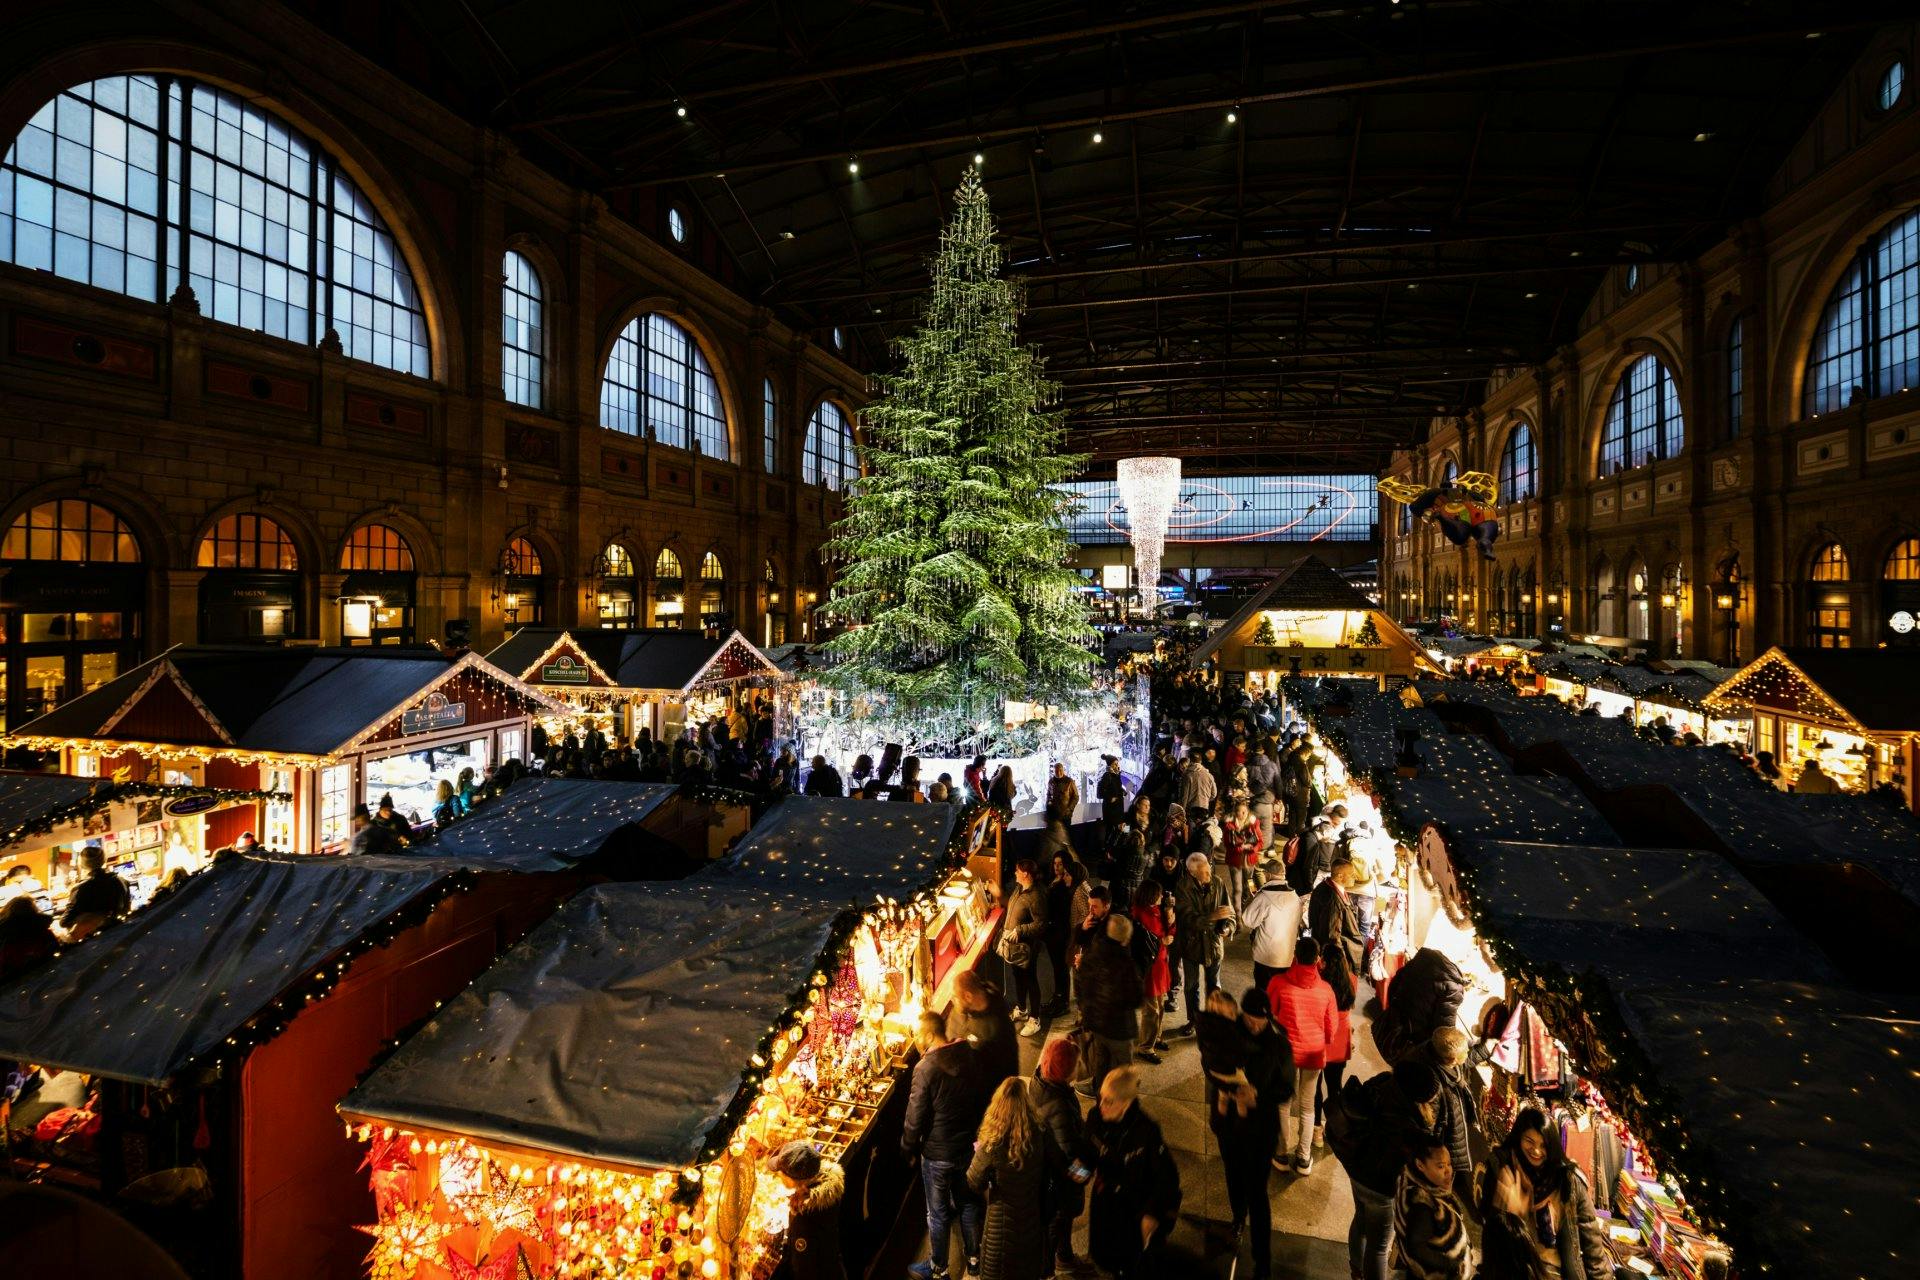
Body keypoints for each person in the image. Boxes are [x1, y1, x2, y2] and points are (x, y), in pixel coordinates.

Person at [1327, 1061, 1446, 1280]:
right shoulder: (1410, 1123)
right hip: (1382, 1188)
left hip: (1356, 1169)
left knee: (1361, 1219)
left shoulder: (1381, 1083)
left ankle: (1356, 1271)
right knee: (1379, 1245)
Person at [1212, 988, 1294, 1280]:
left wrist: (1257, 1094)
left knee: (1258, 1192)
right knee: (1233, 1174)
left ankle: (1263, 1262)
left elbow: (1286, 1089)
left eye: (1258, 1020)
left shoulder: (1279, 1046)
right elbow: (1212, 1064)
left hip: (1260, 1128)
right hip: (1229, 1121)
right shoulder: (1231, 1034)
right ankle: (1237, 1217)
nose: (1253, 1025)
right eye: (1248, 1018)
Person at [905, 1013, 991, 1280]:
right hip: (965, 1147)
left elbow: (915, 1117)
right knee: (967, 1203)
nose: (916, 1040)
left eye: (917, 1035)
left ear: (929, 1036)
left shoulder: (925, 1069)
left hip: (937, 1155)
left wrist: (907, 1148)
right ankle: (974, 1259)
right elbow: (980, 1096)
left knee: (938, 1213)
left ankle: (939, 1268)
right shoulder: (968, 1053)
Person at [1477, 1107, 1610, 1280]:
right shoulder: (1502, 1169)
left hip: (1557, 1271)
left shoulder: (1567, 1179)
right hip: (1512, 1267)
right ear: (1518, 1138)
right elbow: (1491, 1231)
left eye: (1543, 1145)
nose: (1536, 1151)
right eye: (1529, 1141)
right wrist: (1512, 1215)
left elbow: (1591, 1237)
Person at [1084, 1067, 1181, 1279]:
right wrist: (1076, 1173)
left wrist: (1151, 1214)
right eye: (1101, 1097)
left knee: (1130, 1265)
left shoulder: (1146, 1131)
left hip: (1132, 1210)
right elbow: (1086, 1155)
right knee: (1104, 1257)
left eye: (1109, 1101)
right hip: (1105, 1203)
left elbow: (1167, 1178)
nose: (1101, 1105)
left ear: (1126, 1103)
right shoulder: (1095, 1118)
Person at [967, 1077, 1054, 1280]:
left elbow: (973, 1180)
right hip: (1031, 1222)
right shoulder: (1040, 1132)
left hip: (1000, 1228)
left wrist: (989, 1187)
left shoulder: (992, 1142)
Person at [1267, 936, 1337, 1173]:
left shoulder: (1279, 983)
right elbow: (1332, 1028)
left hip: (1285, 1053)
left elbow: (1270, 1013)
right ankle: (1304, 1157)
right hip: (1313, 1054)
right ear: (1318, 960)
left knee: (1283, 1104)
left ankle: (1281, 1153)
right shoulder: (1326, 990)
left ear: (1295, 955)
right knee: (1308, 1107)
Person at [1030, 1038, 1091, 1276]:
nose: (1080, 1067)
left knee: (1060, 1223)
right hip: (1058, 1181)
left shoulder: (1041, 1081)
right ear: (1065, 1070)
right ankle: (1048, 1270)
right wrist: (1084, 1176)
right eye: (1076, 1064)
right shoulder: (1059, 1106)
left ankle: (1064, 1257)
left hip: (1051, 1174)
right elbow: (1068, 1155)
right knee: (1059, 1222)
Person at [1074, 914, 1144, 1095]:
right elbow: (1137, 998)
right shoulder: (1126, 964)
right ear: (1125, 937)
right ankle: (1123, 1104)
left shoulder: (1092, 955)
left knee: (1101, 1063)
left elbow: (1081, 988)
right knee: (1123, 1071)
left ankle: (1100, 1098)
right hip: (1120, 1031)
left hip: (1097, 1026)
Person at [1393, 1136, 1473, 1280]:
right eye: (1440, 1166)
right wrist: (1452, 1264)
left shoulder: (1422, 1187)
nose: (1448, 1171)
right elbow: (1416, 1247)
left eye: (1449, 1164)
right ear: (1420, 1165)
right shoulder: (1423, 1205)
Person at [1169, 852, 1230, 1036]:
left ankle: (1213, 1020)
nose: (1209, 875)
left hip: (1213, 943)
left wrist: (1227, 927)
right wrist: (1212, 917)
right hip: (1191, 945)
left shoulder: (1218, 883)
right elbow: (1187, 919)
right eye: (1205, 872)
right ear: (1192, 873)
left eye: (1209, 869)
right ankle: (1193, 1020)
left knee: (1214, 985)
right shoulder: (1182, 887)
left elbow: (1229, 912)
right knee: (1191, 986)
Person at [1373, 946, 1468, 1064]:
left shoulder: (1422, 960)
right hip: (1409, 1041)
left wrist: (1395, 1007)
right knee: (1400, 1072)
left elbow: (1394, 985)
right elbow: (1445, 1032)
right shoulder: (1453, 988)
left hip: (1390, 1025)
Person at [768, 1140, 847, 1280]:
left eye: (781, 1173)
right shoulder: (826, 1189)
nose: (778, 1175)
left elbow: (804, 1270)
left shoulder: (804, 1221)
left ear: (794, 1179)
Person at [1316, 940, 1358, 1156]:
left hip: (1320, 1038)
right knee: (1335, 1087)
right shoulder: (1351, 980)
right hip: (1340, 1039)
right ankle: (1335, 1128)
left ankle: (1316, 1129)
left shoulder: (1319, 980)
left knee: (1315, 1086)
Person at [949, 967, 1020, 1087]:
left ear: (968, 996)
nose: (953, 1001)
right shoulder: (963, 1009)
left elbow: (1005, 1067)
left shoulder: (995, 1029)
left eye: (956, 997)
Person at [1000, 859, 1049, 1035]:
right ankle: (1021, 1010)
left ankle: (1035, 1019)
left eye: (1017, 871)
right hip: (1015, 948)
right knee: (1018, 977)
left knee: (1030, 980)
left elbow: (1041, 924)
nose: (1015, 873)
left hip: (1026, 948)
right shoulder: (1019, 889)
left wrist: (1020, 930)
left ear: (1025, 874)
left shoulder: (1035, 896)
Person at [1129, 882, 1173, 1063]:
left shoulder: (1155, 911)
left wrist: (1170, 919)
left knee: (1160, 1005)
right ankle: (1146, 1047)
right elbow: (1148, 942)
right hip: (1150, 969)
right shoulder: (1140, 915)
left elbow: (1167, 932)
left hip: (1160, 966)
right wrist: (1164, 939)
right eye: (1159, 894)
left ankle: (1156, 1037)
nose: (1162, 897)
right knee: (1151, 1010)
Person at [1243, 867, 1304, 992]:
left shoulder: (1264, 897)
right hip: (1286, 956)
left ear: (1267, 874)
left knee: (1262, 991)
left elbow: (1248, 921)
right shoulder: (1295, 897)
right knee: (1280, 992)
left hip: (1264, 956)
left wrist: (1250, 900)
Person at [1043, 853, 1088, 1017]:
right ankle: (1058, 998)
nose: (1057, 867)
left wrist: (1077, 936)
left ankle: (1063, 1002)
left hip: (1063, 933)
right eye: (1055, 863)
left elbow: (1082, 916)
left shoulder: (1070, 889)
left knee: (1062, 969)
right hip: (1057, 932)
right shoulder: (1059, 883)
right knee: (1058, 968)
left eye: (1061, 864)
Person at [1309, 859, 1366, 975]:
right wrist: (1341, 963)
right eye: (1351, 874)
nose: (1355, 877)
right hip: (1340, 961)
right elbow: (1332, 936)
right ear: (1340, 876)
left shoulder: (1327, 888)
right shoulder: (1332, 899)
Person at [59, 846, 130, 935]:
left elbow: (64, 922)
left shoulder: (80, 888)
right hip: (119, 933)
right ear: (104, 860)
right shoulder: (122, 881)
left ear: (82, 864)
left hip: (93, 941)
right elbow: (126, 910)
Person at [1221, 795, 1261, 919]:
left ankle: (1248, 908)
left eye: (1244, 811)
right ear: (1235, 811)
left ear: (1247, 811)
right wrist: (1241, 848)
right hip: (1235, 861)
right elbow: (1227, 845)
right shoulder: (1229, 826)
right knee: (1237, 889)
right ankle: (1238, 916)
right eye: (1239, 811)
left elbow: (1260, 842)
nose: (1241, 814)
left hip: (1250, 860)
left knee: (1250, 885)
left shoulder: (1253, 823)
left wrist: (1253, 848)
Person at [0, 895, 57, 981]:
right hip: (44, 977)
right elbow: (54, 947)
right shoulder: (42, 930)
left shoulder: (4, 934)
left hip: (12, 983)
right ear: (33, 910)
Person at [1108, 800, 1151, 910]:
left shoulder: (1122, 852)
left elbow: (1111, 850)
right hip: (1136, 886)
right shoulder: (1146, 856)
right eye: (1144, 805)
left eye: (1148, 805)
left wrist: (1118, 833)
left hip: (1121, 886)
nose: (1147, 807)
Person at [1096, 755, 1128, 843]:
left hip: (1118, 807)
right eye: (1114, 764)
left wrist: (1123, 791)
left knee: (1119, 829)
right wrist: (1110, 798)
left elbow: (1115, 788)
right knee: (1111, 830)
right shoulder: (1107, 776)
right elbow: (1100, 792)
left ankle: (1115, 847)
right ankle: (1107, 849)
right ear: (1110, 766)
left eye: (1117, 763)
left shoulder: (1116, 775)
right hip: (1111, 808)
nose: (1117, 766)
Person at [1045, 762, 1080, 827]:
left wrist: (1069, 809)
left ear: (1063, 770)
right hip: (1054, 814)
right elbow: (1049, 795)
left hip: (1065, 815)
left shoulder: (1069, 781)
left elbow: (1076, 797)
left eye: (1060, 770)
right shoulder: (1051, 782)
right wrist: (1048, 805)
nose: (1058, 772)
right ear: (1054, 771)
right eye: (1056, 771)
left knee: (1066, 833)